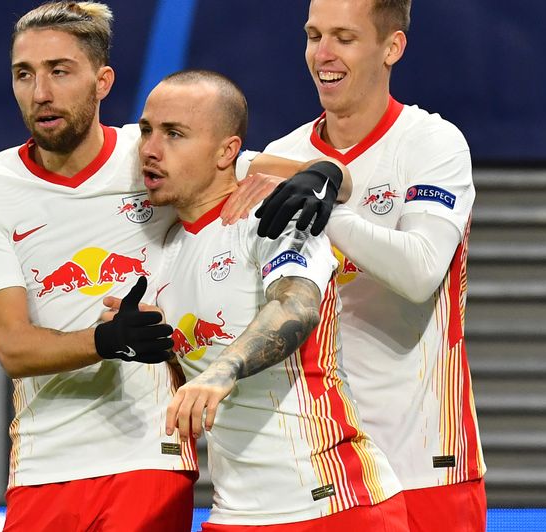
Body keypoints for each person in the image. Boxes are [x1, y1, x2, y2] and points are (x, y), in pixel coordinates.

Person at [224, 1, 487, 530]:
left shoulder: (432, 143)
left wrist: (328, 209)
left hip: (425, 462)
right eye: (313, 35)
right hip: (323, 472)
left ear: (392, 47)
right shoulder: (283, 153)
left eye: (344, 38)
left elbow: (420, 273)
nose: (322, 54)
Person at [130, 69, 408, 530]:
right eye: (146, 131)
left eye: (174, 134)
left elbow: (296, 306)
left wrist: (224, 370)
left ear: (227, 152)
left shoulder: (278, 214)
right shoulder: (162, 253)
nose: (150, 149)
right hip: (234, 512)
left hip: (334, 502)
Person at [0, 3, 196, 531]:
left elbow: (252, 167)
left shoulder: (150, 155)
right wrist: (108, 340)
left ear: (102, 81)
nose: (40, 92)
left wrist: (322, 173)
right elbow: (13, 347)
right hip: (42, 465)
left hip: (148, 456)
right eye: (24, 74)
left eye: (59, 71)